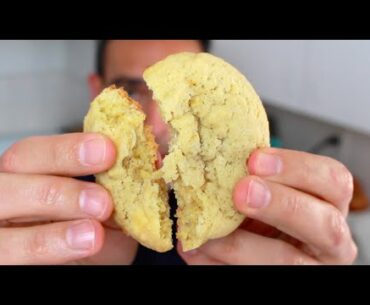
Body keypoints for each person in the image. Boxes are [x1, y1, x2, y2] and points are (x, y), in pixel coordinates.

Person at [0, 40, 357, 265]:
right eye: (131, 90)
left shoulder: (260, 218)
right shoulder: (52, 210)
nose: (155, 124)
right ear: (98, 90)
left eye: (185, 100)